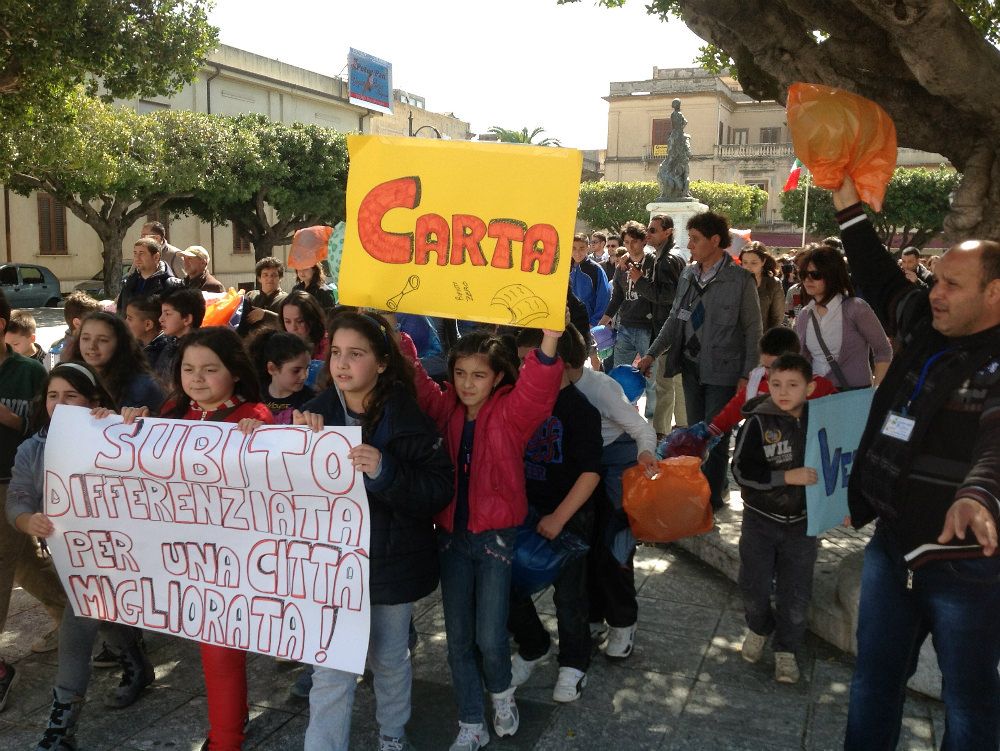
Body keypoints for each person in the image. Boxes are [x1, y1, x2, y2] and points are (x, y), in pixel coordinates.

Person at [831, 176, 1000, 750]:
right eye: (935, 278)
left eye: (953, 283)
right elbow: (880, 277)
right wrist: (846, 205)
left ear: (996, 294)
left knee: (971, 704)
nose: (935, 291)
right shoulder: (926, 329)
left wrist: (978, 494)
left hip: (969, 570)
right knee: (873, 683)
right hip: (892, 548)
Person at [293, 311, 453, 751]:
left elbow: (438, 488)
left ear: (382, 362)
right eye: (336, 353)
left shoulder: (409, 418)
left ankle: (392, 733)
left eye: (356, 354)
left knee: (389, 658)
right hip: (332, 569)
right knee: (330, 668)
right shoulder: (312, 416)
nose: (342, 364)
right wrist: (291, 442)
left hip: (390, 566)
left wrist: (386, 471)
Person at [401, 324, 562, 751]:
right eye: (460, 373)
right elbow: (415, 375)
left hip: (496, 540)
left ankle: (502, 696)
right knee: (458, 640)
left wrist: (549, 340)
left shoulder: (512, 412)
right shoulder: (445, 409)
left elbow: (538, 390)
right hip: (452, 538)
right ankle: (471, 721)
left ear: (497, 378)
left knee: (490, 638)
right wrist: (387, 325)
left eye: (479, 375)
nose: (467, 384)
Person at [131, 327, 272, 751]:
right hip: (184, 558)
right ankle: (232, 721)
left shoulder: (255, 416)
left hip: (235, 561)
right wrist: (116, 426)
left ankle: (225, 739)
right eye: (189, 368)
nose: (198, 378)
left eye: (210, 369)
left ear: (234, 373)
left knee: (220, 653)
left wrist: (260, 435)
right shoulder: (172, 411)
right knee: (212, 649)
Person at [9, 363, 153, 749]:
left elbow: (155, 463)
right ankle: (136, 661)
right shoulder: (31, 449)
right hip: (72, 559)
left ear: (93, 401)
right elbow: (18, 498)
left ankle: (61, 729)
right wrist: (27, 521)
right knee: (100, 613)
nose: (60, 404)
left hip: (122, 554)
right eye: (53, 396)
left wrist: (129, 425)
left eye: (71, 396)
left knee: (81, 625)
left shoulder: (116, 433)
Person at [638, 211, 763, 510]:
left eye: (695, 239)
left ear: (715, 241)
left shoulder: (740, 279)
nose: (689, 245)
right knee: (695, 435)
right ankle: (701, 489)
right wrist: (653, 352)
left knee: (715, 436)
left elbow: (753, 330)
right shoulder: (687, 275)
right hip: (691, 367)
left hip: (724, 371)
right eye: (689, 239)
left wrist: (747, 374)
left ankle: (711, 501)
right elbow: (673, 319)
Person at [508, 326, 602, 703]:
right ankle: (533, 644)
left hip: (569, 518)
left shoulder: (581, 410)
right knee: (508, 587)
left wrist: (560, 517)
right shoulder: (518, 402)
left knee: (570, 596)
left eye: (530, 361)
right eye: (520, 363)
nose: (524, 370)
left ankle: (574, 663)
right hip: (523, 512)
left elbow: (591, 472)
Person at [731, 353, 819, 684]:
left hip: (803, 524)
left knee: (795, 594)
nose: (783, 392)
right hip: (760, 520)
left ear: (809, 387)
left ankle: (786, 650)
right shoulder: (758, 421)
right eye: (776, 384)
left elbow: (838, 464)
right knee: (752, 585)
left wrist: (839, 504)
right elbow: (741, 470)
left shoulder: (820, 421)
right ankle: (759, 626)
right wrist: (786, 478)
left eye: (793, 385)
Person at [568, 338, 658, 662]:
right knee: (583, 548)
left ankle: (623, 622)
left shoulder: (602, 388)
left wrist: (646, 452)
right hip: (580, 471)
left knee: (614, 547)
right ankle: (592, 618)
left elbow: (642, 429)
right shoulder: (543, 384)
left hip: (615, 468)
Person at [0, 290, 65, 710]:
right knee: (26, 563)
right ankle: (82, 618)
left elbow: (47, 432)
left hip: (11, 483)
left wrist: (9, 418)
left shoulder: (27, 372)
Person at [705, 327, 837, 437]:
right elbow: (734, 409)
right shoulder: (757, 381)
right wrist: (709, 432)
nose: (769, 373)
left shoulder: (819, 386)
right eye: (766, 367)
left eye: (775, 367)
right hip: (765, 458)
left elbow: (841, 415)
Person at [794, 244, 892, 390]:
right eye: (803, 275)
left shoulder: (855, 308)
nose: (807, 280)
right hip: (816, 397)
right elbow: (800, 359)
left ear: (832, 275)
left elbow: (883, 350)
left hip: (853, 395)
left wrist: (877, 391)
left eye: (815, 275)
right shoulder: (804, 315)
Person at [636, 214, 688, 436]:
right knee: (676, 385)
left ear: (668, 232)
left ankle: (660, 434)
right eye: (648, 229)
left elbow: (667, 296)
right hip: (674, 330)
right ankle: (683, 429)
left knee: (665, 385)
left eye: (653, 230)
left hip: (669, 331)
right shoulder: (666, 256)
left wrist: (639, 281)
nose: (648, 234)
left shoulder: (667, 260)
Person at [599, 221, 657, 418]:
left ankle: (653, 421)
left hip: (648, 328)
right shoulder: (621, 266)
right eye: (627, 242)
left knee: (651, 379)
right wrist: (603, 321)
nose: (631, 246)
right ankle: (621, 414)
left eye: (634, 242)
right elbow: (617, 297)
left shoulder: (653, 263)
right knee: (618, 374)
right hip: (625, 325)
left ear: (643, 241)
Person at [76, 312, 165, 412]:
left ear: (120, 343)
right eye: (86, 338)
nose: (92, 346)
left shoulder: (142, 387)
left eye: (102, 340)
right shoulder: (71, 376)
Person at [247, 329, 315, 421]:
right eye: (296, 370)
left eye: (307, 368)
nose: (304, 376)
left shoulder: (310, 399)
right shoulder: (254, 395)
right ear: (272, 368)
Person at [116, 238, 182, 316]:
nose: (137, 258)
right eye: (135, 253)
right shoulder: (129, 282)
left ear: (156, 257)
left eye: (141, 253)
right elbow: (120, 313)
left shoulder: (171, 285)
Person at [157, 287, 207, 380]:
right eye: (162, 313)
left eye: (167, 314)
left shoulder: (197, 353)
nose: (161, 319)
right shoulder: (172, 344)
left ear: (187, 319)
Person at [47, 292, 100, 370]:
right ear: (77, 323)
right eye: (95, 321)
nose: (101, 325)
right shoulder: (57, 350)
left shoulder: (56, 347)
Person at [740, 241, 786, 331]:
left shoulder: (773, 284)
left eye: (753, 263)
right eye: (745, 262)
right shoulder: (735, 283)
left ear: (763, 261)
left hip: (763, 337)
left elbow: (777, 318)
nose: (748, 267)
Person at [569, 233, 611, 327]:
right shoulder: (564, 268)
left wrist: (594, 322)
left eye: (582, 248)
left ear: (588, 248)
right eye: (574, 248)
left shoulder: (596, 270)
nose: (577, 252)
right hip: (566, 322)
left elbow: (604, 298)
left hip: (587, 323)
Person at [124, 295, 171, 378]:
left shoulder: (164, 354)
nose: (125, 322)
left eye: (130, 318)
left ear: (148, 324)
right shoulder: (135, 346)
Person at [240, 256, 288, 333]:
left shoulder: (287, 299)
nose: (270, 278)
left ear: (280, 278)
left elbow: (290, 324)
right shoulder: (250, 296)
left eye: (274, 275)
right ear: (259, 278)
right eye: (265, 275)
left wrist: (265, 315)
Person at [280, 290, 329, 361]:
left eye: (300, 321)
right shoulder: (281, 346)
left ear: (312, 319)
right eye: (287, 321)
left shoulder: (328, 347)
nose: (293, 328)